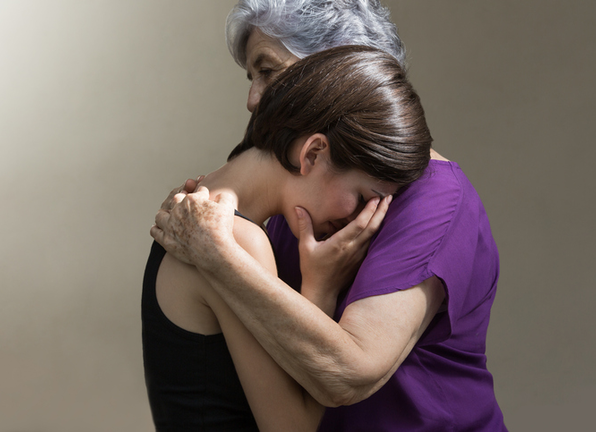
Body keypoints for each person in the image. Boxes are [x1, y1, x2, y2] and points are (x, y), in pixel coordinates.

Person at [151, 1, 507, 431]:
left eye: (269, 70)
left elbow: (350, 373)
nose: (254, 99)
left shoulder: (433, 199)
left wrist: (216, 253)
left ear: (339, 72)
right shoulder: (297, 192)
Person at [143, 45, 433, 431]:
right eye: (363, 198)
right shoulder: (232, 238)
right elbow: (293, 426)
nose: (361, 221)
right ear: (313, 153)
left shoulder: (204, 209)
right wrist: (320, 288)